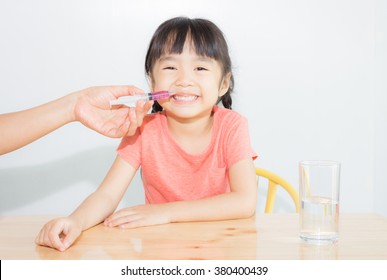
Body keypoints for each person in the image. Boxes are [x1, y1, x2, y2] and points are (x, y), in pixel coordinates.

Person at [35, 17, 258, 252]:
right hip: (161, 250)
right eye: (170, 67)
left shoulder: (232, 125)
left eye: (200, 68)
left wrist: (167, 212)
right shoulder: (142, 128)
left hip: (221, 247)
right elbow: (107, 195)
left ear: (224, 83)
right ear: (152, 83)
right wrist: (75, 221)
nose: (183, 80)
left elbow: (244, 202)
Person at [0, 85, 153, 155]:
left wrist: (78, 104)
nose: (178, 80)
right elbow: (106, 195)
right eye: (170, 68)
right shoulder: (144, 134)